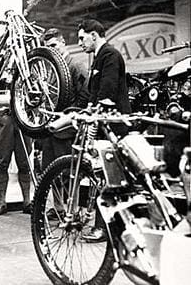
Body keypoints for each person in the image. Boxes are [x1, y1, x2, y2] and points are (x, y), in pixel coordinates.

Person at [78, 19, 131, 242]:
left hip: (112, 125)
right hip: (104, 124)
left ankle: (104, 228)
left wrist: (92, 113)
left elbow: (106, 92)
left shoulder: (109, 55)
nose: (80, 43)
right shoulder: (100, 56)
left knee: (107, 176)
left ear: (94, 35)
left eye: (82, 38)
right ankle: (106, 227)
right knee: (101, 176)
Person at [41, 28, 89, 220]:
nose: (51, 50)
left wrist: (69, 115)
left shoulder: (76, 65)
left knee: (70, 172)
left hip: (67, 129)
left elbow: (85, 95)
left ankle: (73, 210)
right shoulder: (51, 67)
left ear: (63, 43)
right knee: (51, 171)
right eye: (47, 47)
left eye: (53, 46)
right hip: (51, 128)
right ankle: (60, 208)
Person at [0, 111, 32, 216]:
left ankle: (27, 202)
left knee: (24, 163)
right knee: (2, 163)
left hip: (23, 119)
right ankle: (2, 202)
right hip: (3, 120)